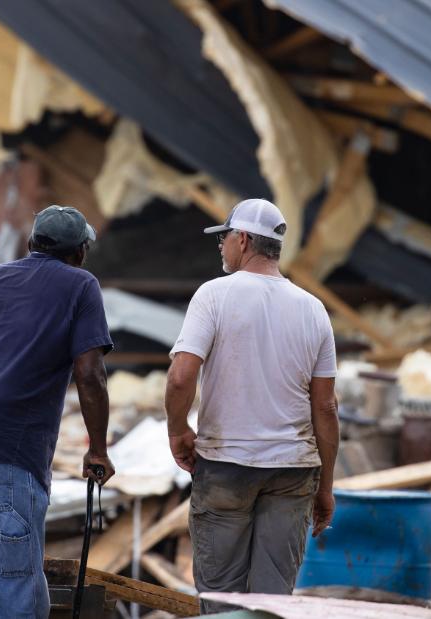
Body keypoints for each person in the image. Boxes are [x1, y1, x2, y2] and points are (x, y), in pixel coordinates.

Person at [0, 205, 116, 618]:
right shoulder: (81, 286)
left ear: (30, 244)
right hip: (5, 459)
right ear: (80, 252)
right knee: (15, 596)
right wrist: (97, 449)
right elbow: (89, 373)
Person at [163, 199, 340, 613]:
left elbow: (180, 377)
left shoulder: (214, 295)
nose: (221, 246)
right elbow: (326, 408)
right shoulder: (313, 310)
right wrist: (326, 486)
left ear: (242, 240)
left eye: (224, 238)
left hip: (227, 465)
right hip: (293, 471)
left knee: (221, 601)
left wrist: (178, 430)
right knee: (270, 604)